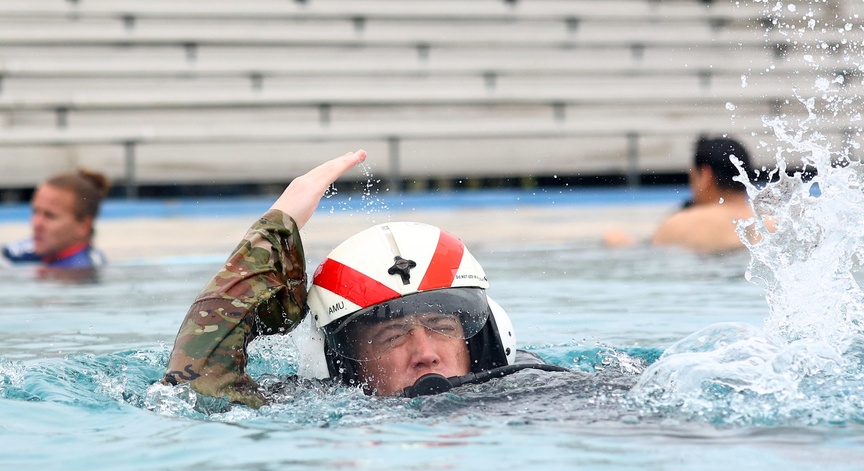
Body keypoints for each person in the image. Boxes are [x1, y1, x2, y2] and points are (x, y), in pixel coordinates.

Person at [162, 150, 563, 409]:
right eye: (392, 335)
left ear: (483, 341)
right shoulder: (310, 411)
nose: (425, 352)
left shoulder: (540, 391)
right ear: (341, 366)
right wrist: (274, 233)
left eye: (442, 327)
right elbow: (193, 391)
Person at [604, 136, 759, 253]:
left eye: (692, 177)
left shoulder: (679, 225)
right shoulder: (772, 224)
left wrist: (620, 243)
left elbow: (646, 256)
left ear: (705, 176)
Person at [2, 168, 111, 270]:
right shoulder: (46, 248)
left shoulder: (81, 271)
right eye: (35, 212)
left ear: (83, 227)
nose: (37, 224)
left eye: (50, 216)